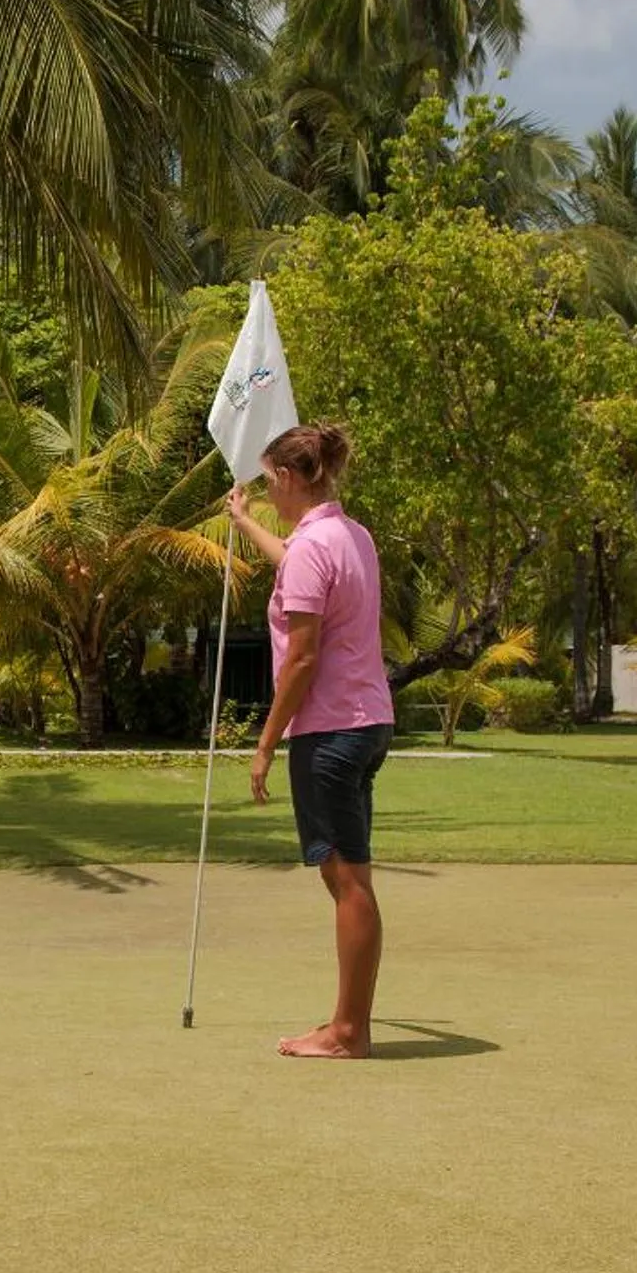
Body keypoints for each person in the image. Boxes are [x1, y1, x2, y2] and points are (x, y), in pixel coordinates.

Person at [225, 424, 394, 1058]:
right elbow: (294, 561)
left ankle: (348, 1032)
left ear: (292, 478)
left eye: (268, 483)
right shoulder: (351, 536)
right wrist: (244, 524)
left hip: (329, 733)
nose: (266, 493)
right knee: (354, 877)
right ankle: (350, 1024)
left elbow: (300, 659)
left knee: (348, 883)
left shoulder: (311, 548)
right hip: (368, 724)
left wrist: (266, 743)